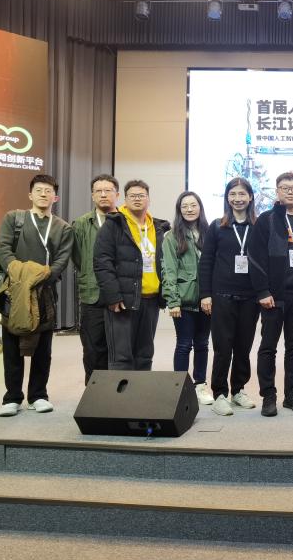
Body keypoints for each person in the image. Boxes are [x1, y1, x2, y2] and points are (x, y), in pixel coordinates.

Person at [0, 174, 74, 417]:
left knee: (43, 349)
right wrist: (20, 275)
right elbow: (3, 249)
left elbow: (62, 259)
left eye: (48, 191)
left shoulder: (63, 227)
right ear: (30, 194)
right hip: (15, 290)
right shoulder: (14, 218)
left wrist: (42, 278)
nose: (43, 194)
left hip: (45, 292)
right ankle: (12, 398)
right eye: (39, 190)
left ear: (55, 197)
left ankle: (38, 395)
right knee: (12, 345)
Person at [249, 172, 293, 417]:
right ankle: (268, 395)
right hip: (273, 296)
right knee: (268, 347)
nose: (290, 191)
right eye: (285, 187)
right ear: (277, 191)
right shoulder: (266, 220)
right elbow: (255, 257)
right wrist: (262, 291)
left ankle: (292, 395)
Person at [93, 179, 171, 372]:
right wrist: (113, 296)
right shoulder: (114, 225)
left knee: (145, 355)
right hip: (123, 301)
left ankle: (140, 392)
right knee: (122, 357)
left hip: (151, 301)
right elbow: (102, 262)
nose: (137, 199)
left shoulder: (158, 227)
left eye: (141, 195)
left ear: (149, 199)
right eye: (132, 196)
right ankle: (121, 393)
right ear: (125, 199)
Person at [199, 177, 260, 416]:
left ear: (250, 197)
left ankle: (238, 390)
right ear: (227, 198)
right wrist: (205, 294)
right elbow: (206, 262)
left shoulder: (258, 227)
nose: (237, 198)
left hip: (250, 297)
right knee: (223, 347)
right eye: (233, 194)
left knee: (243, 347)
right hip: (222, 295)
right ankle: (220, 394)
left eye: (242, 194)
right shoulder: (217, 226)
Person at [161, 191, 213, 408]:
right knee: (184, 344)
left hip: (206, 300)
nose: (190, 209)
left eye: (193, 205)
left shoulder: (210, 233)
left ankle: (200, 385)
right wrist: (173, 300)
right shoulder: (172, 236)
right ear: (179, 210)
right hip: (183, 300)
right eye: (185, 206)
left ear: (200, 207)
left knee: (202, 344)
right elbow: (168, 270)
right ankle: (179, 387)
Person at [71, 174, 118, 384]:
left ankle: (118, 394)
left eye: (108, 190)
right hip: (92, 294)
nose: (103, 194)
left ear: (117, 194)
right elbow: (78, 258)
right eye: (98, 191)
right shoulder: (81, 224)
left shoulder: (125, 221)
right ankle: (93, 393)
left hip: (120, 295)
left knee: (119, 348)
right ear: (92, 196)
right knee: (92, 348)